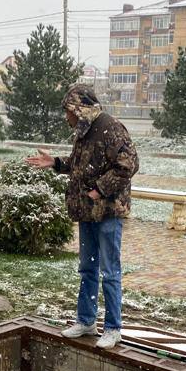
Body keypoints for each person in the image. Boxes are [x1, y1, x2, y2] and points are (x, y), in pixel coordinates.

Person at [26, 84, 139, 349]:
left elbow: (129, 165)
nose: (66, 117)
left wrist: (100, 190)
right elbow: (81, 166)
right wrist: (55, 163)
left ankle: (113, 328)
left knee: (110, 271)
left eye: (68, 111)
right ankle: (86, 320)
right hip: (87, 212)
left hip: (108, 213)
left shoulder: (112, 128)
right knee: (88, 268)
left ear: (80, 109)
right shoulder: (83, 131)